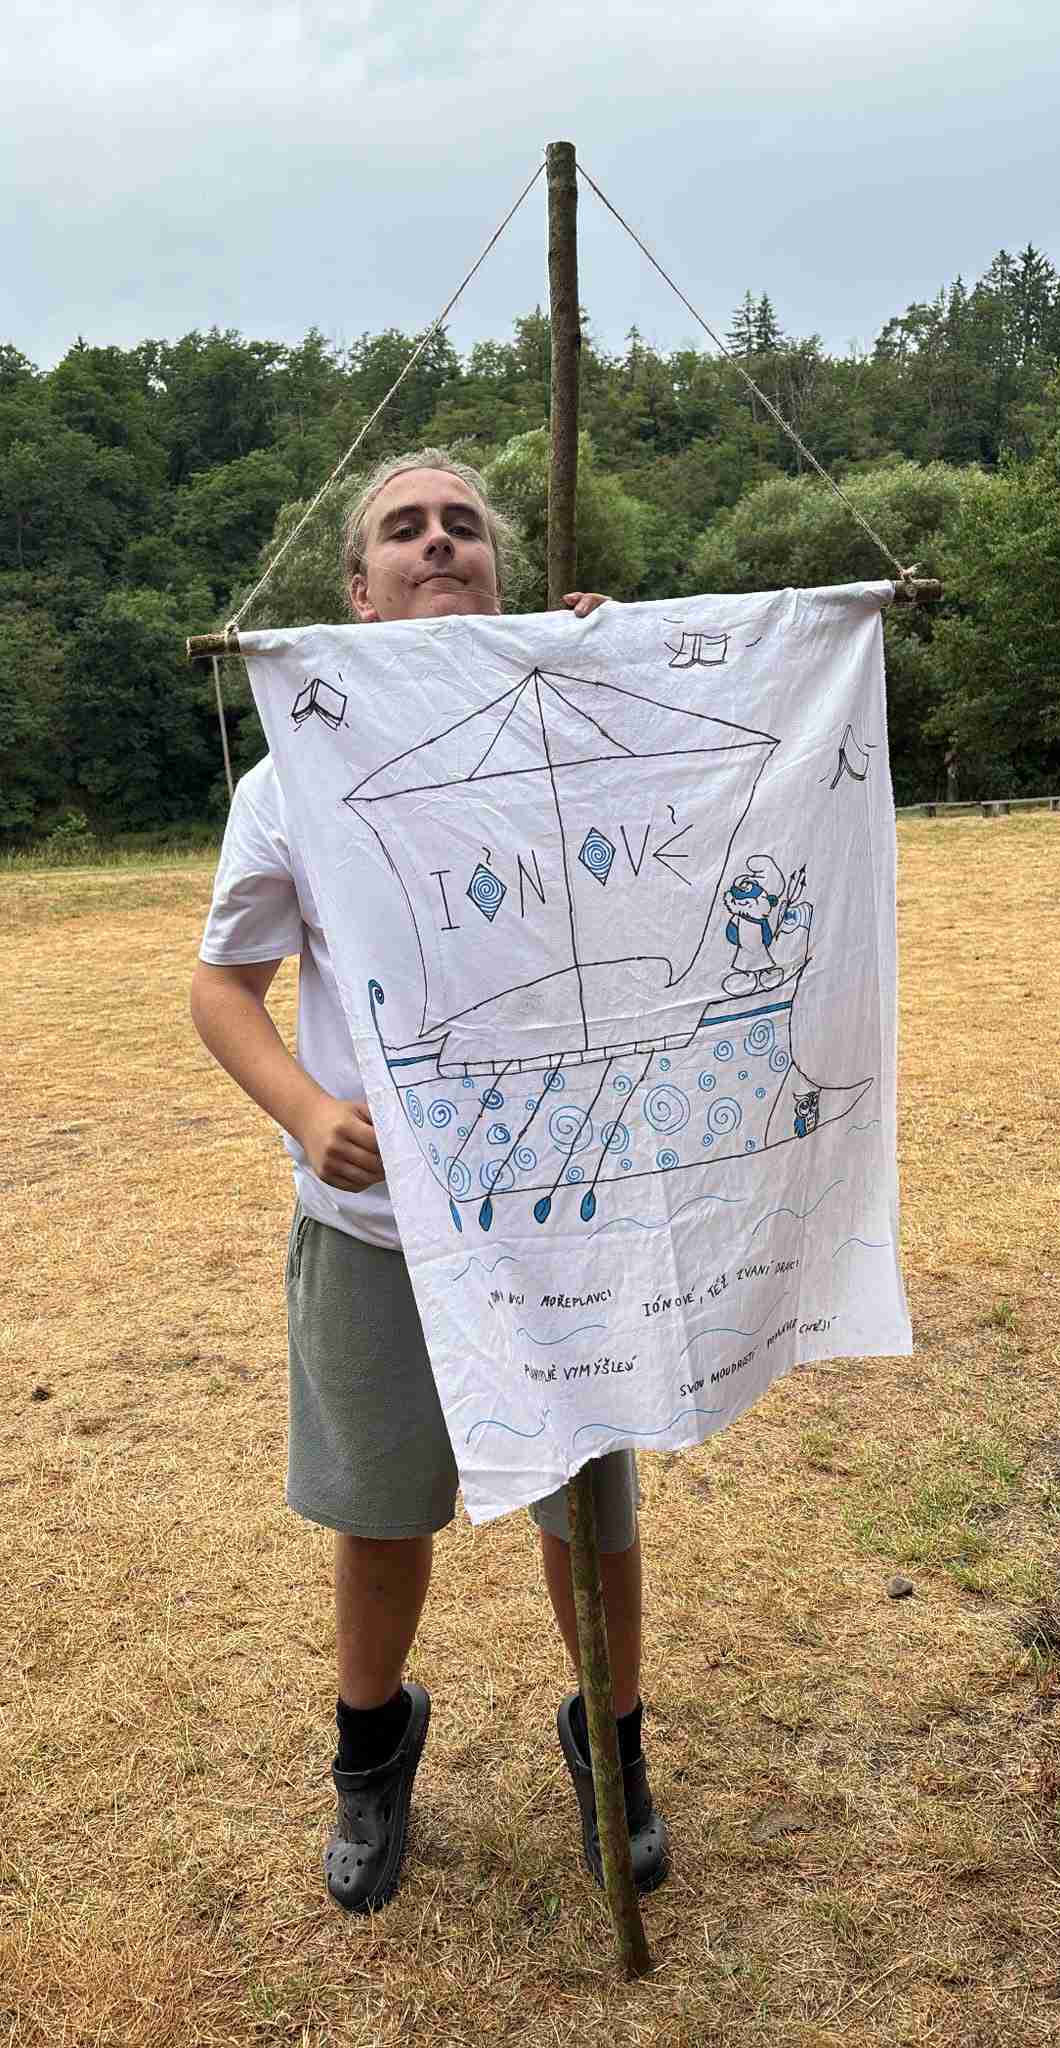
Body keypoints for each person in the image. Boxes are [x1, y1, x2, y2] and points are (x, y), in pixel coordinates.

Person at [190, 449, 669, 1913]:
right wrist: (304, 1107)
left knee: (587, 1510)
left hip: (563, 1215)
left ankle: (613, 1747)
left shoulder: (583, 728)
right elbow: (222, 986)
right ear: (360, 589)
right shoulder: (292, 779)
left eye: (464, 524)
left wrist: (625, 670)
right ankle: (370, 1749)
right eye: (405, 528)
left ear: (500, 571)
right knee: (383, 1507)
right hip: (377, 1224)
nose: (439, 541)